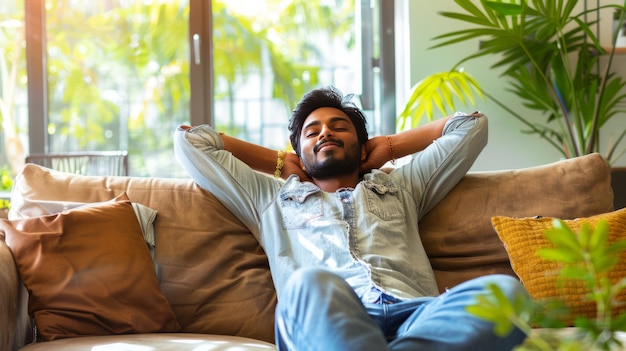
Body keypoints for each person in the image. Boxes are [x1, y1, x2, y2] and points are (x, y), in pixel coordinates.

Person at [174, 86, 528, 350]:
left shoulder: (402, 186)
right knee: (309, 284)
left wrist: (390, 146)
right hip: (330, 321)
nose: (325, 133)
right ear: (299, 153)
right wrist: (277, 162)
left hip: (417, 317)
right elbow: (190, 142)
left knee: (504, 293)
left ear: (362, 147)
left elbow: (471, 127)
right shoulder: (270, 199)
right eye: (312, 133)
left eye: (339, 127)